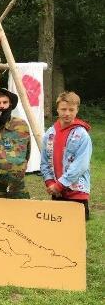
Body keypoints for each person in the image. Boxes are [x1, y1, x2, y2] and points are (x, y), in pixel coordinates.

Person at [40, 91, 92, 220]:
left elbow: (81, 164)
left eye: (71, 109)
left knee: (75, 234)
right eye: (63, 109)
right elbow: (44, 161)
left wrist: (61, 184)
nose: (67, 113)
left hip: (77, 192)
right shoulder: (49, 134)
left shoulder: (82, 135)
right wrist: (50, 182)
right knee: (57, 232)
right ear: (57, 109)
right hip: (57, 192)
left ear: (77, 110)